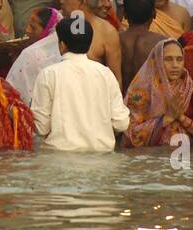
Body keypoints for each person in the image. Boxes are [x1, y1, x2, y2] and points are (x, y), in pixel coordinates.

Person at [31, 16, 130, 152]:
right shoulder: (105, 74)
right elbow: (121, 123)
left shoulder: (48, 74)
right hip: (102, 160)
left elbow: (41, 127)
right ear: (89, 45)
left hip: (59, 159)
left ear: (62, 45)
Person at [121, 38, 193, 147]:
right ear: (157, 60)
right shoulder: (141, 90)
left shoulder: (187, 85)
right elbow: (129, 136)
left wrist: (180, 117)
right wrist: (166, 118)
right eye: (168, 59)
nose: (175, 65)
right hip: (150, 157)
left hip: (184, 153)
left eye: (179, 59)